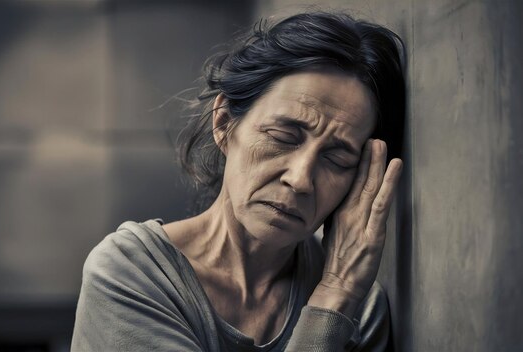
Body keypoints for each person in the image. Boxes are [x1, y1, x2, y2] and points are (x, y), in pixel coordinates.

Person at [71, 11, 406, 352]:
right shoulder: (132, 273)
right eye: (282, 136)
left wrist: (339, 294)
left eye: (337, 159)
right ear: (223, 123)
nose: (300, 179)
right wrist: (331, 303)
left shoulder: (358, 307)